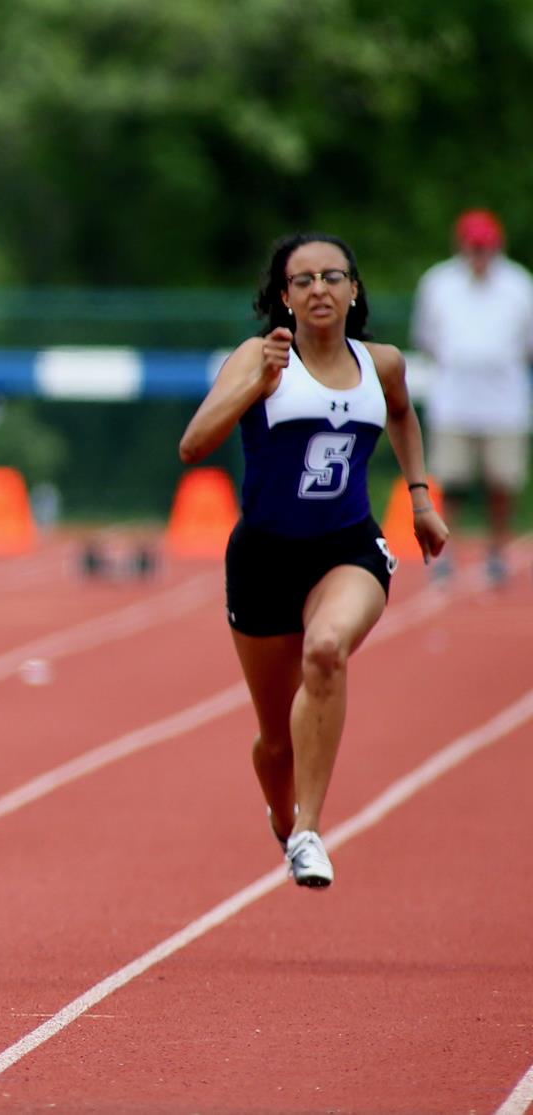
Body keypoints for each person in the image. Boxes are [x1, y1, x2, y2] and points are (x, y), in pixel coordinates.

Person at [179, 232, 448, 889]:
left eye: (333, 276)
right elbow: (194, 443)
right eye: (303, 280)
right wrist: (256, 384)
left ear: (354, 290)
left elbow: (404, 417)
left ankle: (309, 829)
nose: (319, 289)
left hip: (347, 546)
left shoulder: (382, 364)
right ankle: (283, 811)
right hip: (264, 558)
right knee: (276, 742)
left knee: (326, 650)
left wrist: (418, 498)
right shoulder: (259, 357)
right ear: (283, 297)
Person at [410, 209, 533, 586]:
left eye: (485, 248)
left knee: (503, 479)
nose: (479, 255)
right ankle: (447, 551)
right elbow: (426, 336)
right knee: (451, 478)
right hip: (454, 398)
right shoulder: (439, 282)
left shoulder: (519, 285)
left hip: (504, 400)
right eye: (473, 247)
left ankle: (497, 550)